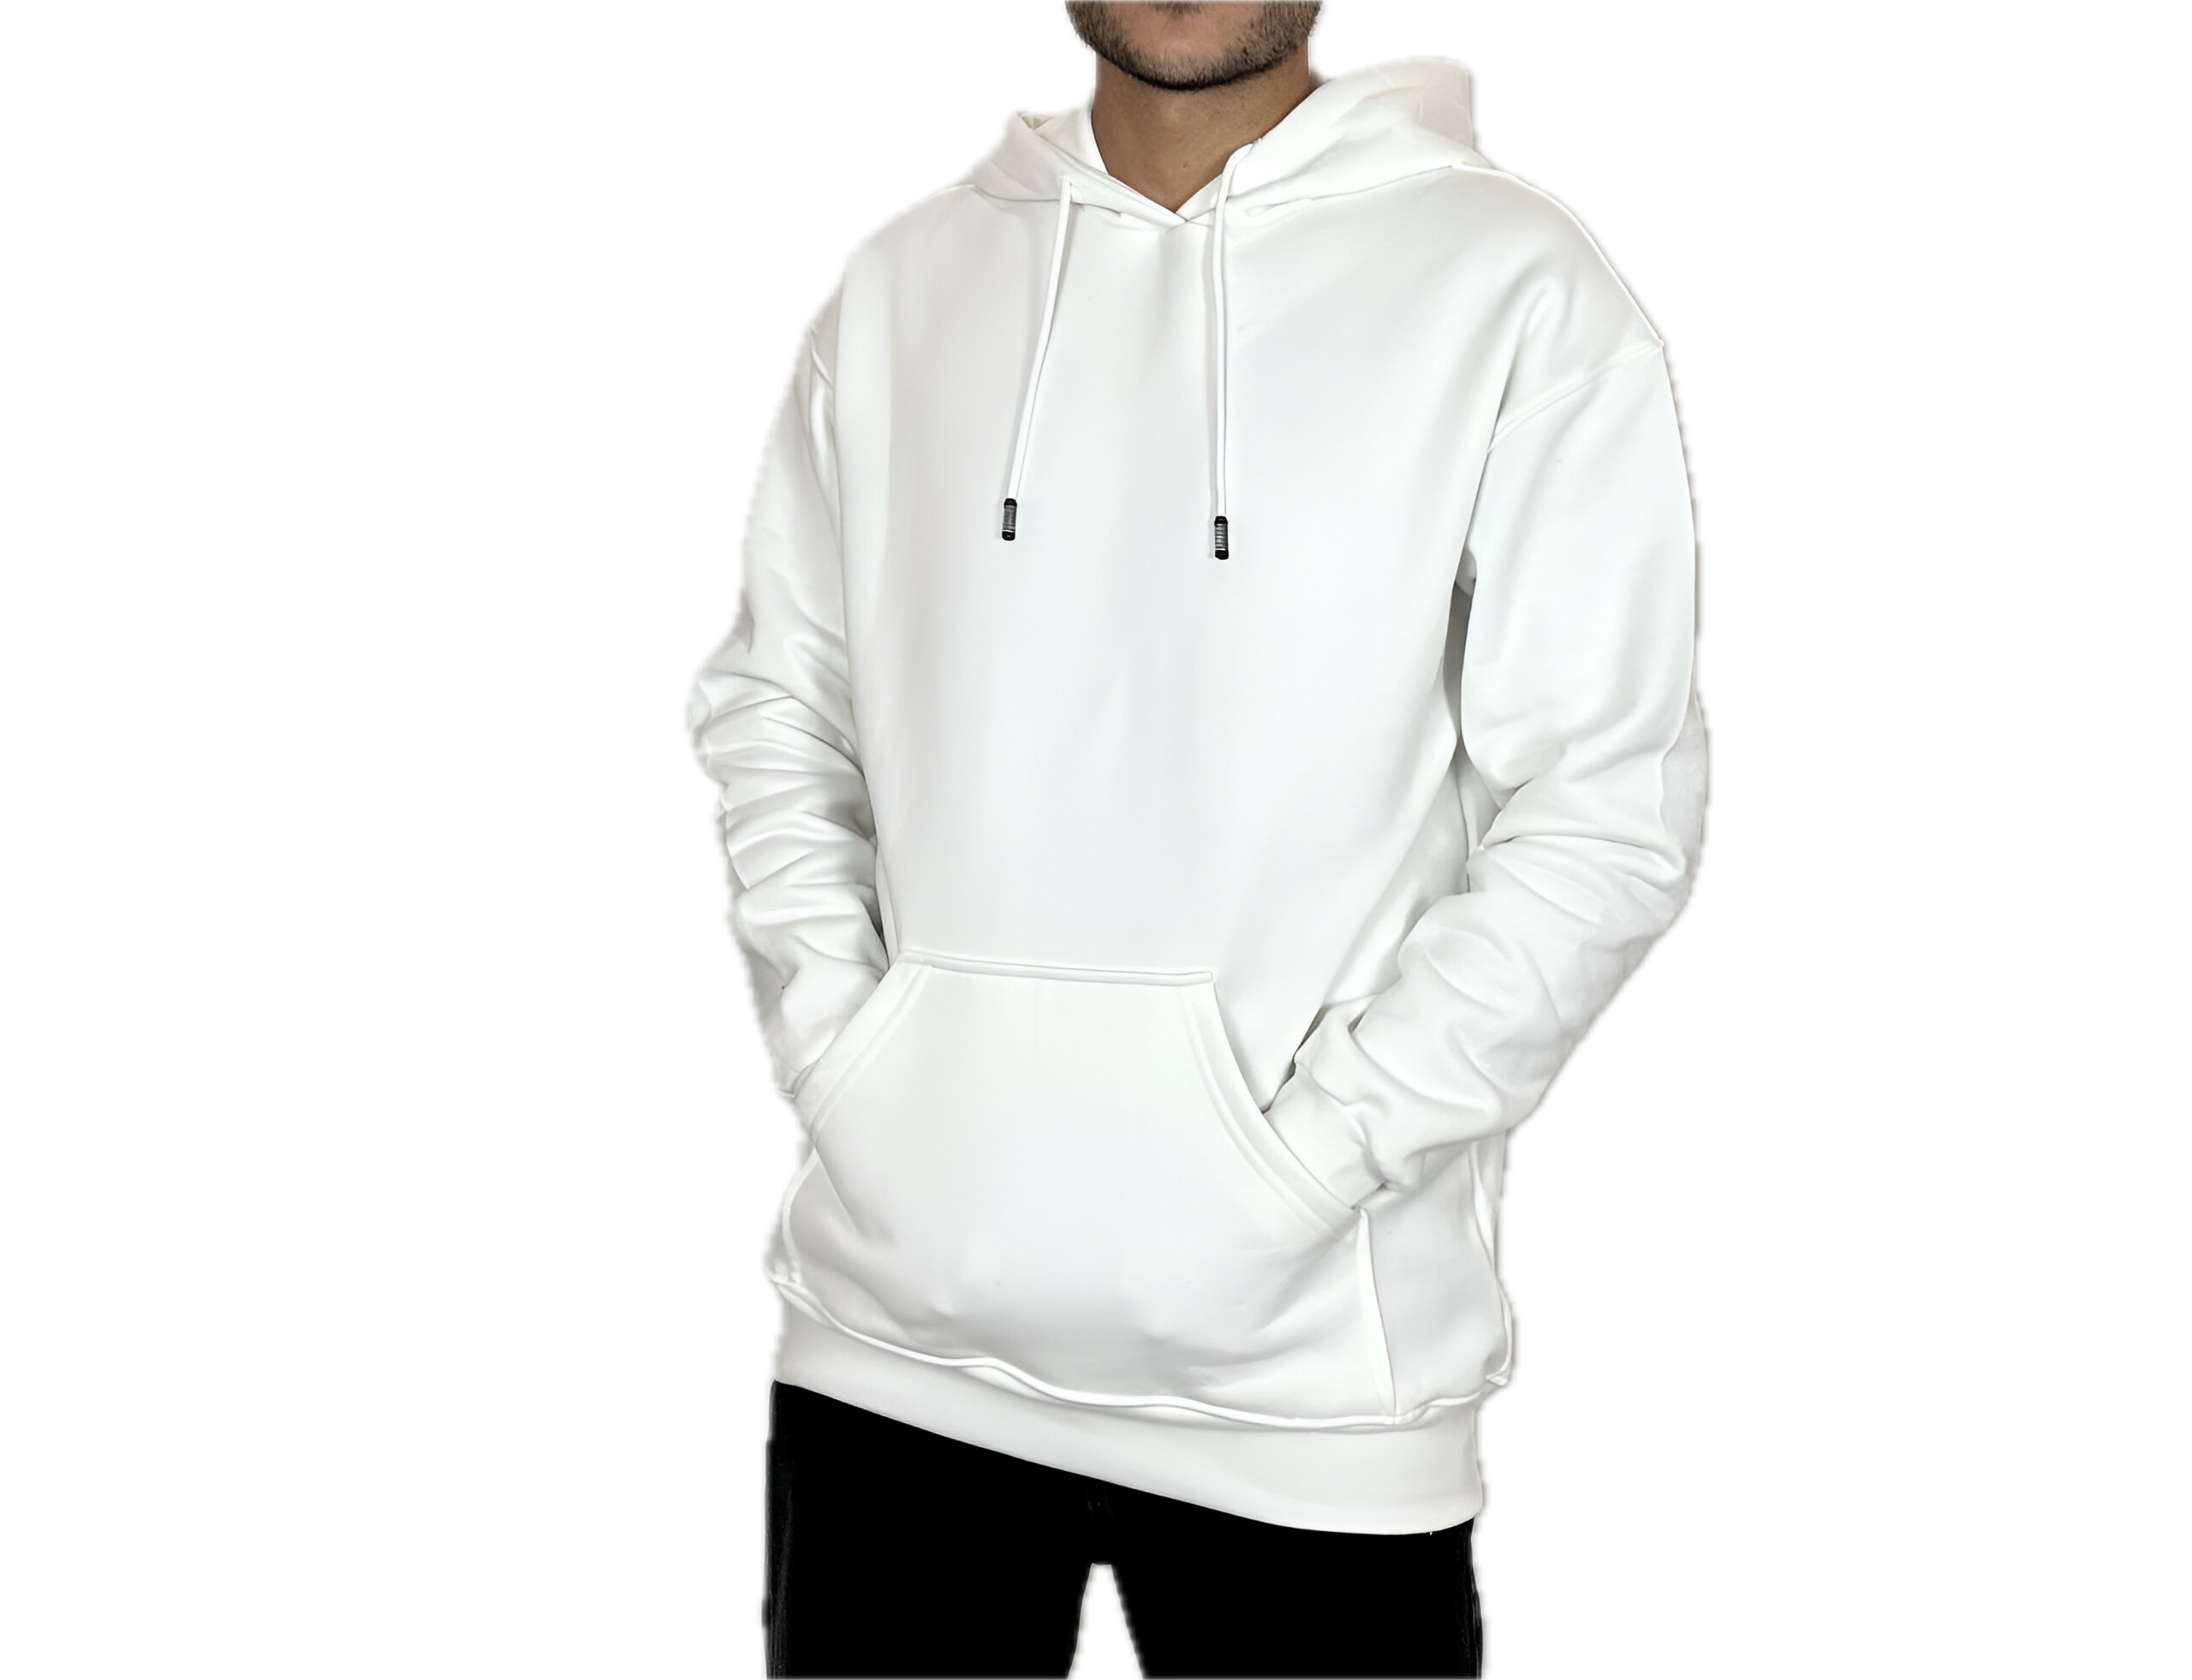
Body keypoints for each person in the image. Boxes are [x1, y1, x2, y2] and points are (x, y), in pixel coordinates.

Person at [682, 3, 1712, 1673]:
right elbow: (775, 715)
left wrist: (1310, 1160)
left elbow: (1605, 812)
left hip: (1316, 1409)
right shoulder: (900, 279)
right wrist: (841, 1060)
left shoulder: (1516, 282)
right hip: (885, 1364)